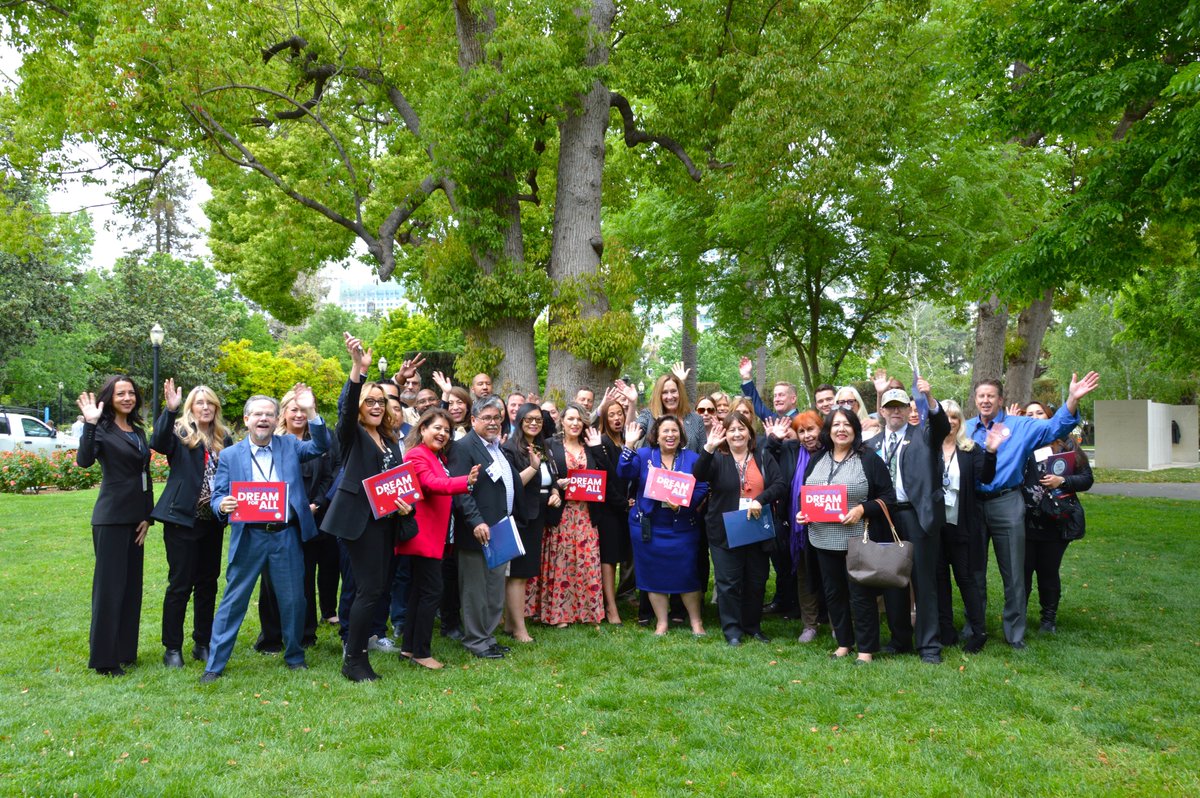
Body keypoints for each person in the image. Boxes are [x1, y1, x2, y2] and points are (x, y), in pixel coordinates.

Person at [202, 383, 330, 683]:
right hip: (249, 536)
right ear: (246, 419)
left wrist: (310, 410)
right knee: (234, 600)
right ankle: (215, 665)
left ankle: (295, 655)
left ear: (276, 420)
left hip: (285, 535)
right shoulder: (231, 456)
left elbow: (321, 446)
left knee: (294, 600)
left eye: (269, 415)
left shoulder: (290, 446)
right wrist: (223, 504)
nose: (263, 419)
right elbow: (217, 495)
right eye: (257, 414)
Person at [967, 371, 1099, 649]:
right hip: (973, 505)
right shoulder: (965, 429)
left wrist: (1072, 399)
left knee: (1014, 571)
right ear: (975, 400)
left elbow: (1055, 429)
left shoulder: (1022, 426)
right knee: (974, 570)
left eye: (991, 395)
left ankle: (1014, 632)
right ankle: (973, 627)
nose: (986, 400)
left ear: (1001, 400)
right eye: (981, 396)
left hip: (1007, 502)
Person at [321, 334, 414, 682]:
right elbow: (344, 411)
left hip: (385, 522)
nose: (376, 405)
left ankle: (357, 655)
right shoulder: (352, 434)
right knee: (368, 590)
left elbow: (394, 482)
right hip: (358, 523)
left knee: (375, 590)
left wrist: (404, 505)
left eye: (380, 401)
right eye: (368, 401)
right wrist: (357, 369)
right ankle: (354, 659)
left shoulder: (390, 440)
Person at [796, 408, 895, 664]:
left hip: (856, 541)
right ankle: (843, 643)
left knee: (860, 595)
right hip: (822, 540)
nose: (841, 429)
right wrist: (803, 513)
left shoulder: (868, 459)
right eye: (836, 425)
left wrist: (862, 509)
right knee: (833, 594)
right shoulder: (818, 458)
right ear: (828, 430)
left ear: (854, 428)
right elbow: (806, 493)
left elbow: (887, 497)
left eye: (846, 424)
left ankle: (866, 649)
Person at [863, 381, 950, 664]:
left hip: (916, 514)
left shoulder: (924, 435)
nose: (896, 411)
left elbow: (942, 427)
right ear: (883, 412)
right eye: (890, 407)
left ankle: (928, 645)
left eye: (900, 406)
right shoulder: (872, 444)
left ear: (909, 408)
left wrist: (930, 398)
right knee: (892, 579)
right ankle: (899, 639)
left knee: (923, 582)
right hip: (886, 517)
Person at [149, 380, 233, 670]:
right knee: (180, 584)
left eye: (210, 403)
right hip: (182, 520)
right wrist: (169, 411)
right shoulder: (180, 432)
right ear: (191, 408)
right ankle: (172, 647)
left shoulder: (225, 438)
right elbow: (157, 444)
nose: (206, 407)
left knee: (208, 583)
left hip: (213, 521)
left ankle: (203, 642)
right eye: (200, 403)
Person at [75, 376, 154, 676]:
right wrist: (90, 424)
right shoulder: (102, 429)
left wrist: (148, 515)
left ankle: (125, 651)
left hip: (137, 518)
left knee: (132, 587)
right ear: (109, 398)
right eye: (120, 393)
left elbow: (144, 475)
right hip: (110, 518)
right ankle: (105, 660)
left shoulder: (138, 431)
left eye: (131, 393)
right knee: (110, 589)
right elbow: (84, 461)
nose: (127, 397)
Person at [254, 387, 341, 653]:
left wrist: (316, 504)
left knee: (305, 579)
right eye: (294, 409)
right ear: (284, 413)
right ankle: (272, 635)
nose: (299, 414)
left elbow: (329, 473)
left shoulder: (319, 441)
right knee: (273, 581)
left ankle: (306, 632)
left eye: (303, 410)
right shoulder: (274, 441)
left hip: (316, 517)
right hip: (280, 521)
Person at [395, 408, 479, 669]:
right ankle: (421, 652)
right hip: (423, 537)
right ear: (422, 429)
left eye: (447, 430)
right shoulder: (417, 455)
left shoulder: (434, 456)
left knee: (420, 592)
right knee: (432, 592)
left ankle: (409, 649)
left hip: (433, 536)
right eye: (437, 428)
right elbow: (431, 484)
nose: (442, 433)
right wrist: (466, 481)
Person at [695, 412, 787, 646]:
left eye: (741, 428)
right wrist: (708, 448)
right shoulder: (717, 458)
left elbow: (780, 484)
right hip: (724, 529)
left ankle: (752, 626)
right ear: (725, 433)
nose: (737, 433)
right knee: (728, 582)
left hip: (756, 528)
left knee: (756, 580)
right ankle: (732, 630)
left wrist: (761, 499)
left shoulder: (763, 456)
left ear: (749, 432)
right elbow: (698, 475)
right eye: (732, 429)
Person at [448, 395, 528, 659]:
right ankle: (476, 641)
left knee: (494, 588)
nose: (494, 423)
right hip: (478, 531)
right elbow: (462, 491)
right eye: (487, 418)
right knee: (475, 589)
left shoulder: (497, 446)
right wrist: (476, 521)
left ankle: (488, 637)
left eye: (497, 417)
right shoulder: (463, 447)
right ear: (473, 420)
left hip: (501, 528)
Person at [617, 416, 708, 635]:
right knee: (652, 575)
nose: (670, 435)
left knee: (687, 573)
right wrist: (629, 445)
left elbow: (703, 486)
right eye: (665, 431)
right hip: (649, 527)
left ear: (681, 435)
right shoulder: (644, 455)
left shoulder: (692, 458)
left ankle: (696, 623)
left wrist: (683, 506)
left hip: (682, 527)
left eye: (674, 431)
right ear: (656, 436)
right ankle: (662, 622)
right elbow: (623, 473)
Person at [530, 403, 609, 627]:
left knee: (586, 561)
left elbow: (606, 474)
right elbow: (543, 475)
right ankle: (558, 614)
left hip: (585, 513)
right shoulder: (549, 445)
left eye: (579, 419)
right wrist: (557, 484)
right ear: (562, 422)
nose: (575, 423)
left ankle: (586, 612)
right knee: (561, 561)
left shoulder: (591, 445)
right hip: (561, 512)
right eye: (570, 419)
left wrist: (597, 450)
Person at [1021, 401, 1094, 634]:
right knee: (1022, 572)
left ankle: (1048, 619)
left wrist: (1062, 481)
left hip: (1055, 520)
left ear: (1049, 416)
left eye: (1039, 412)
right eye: (1029, 414)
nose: (1034, 416)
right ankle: (1018, 617)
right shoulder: (1021, 442)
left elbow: (1087, 479)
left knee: (1048, 572)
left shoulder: (1066, 443)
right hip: (1024, 521)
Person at [936, 400, 1000, 653]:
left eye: (955, 417)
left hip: (962, 527)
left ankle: (978, 631)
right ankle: (946, 630)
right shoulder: (929, 448)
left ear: (961, 421)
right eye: (946, 417)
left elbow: (985, 477)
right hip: (936, 528)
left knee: (967, 580)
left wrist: (992, 452)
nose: (950, 422)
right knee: (939, 581)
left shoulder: (970, 449)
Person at [764, 411, 826, 642]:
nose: (807, 435)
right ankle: (809, 624)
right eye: (802, 431)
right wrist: (774, 438)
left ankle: (836, 620)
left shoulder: (832, 452)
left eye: (811, 429)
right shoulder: (791, 450)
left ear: (821, 429)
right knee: (804, 574)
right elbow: (767, 454)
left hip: (830, 527)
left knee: (831, 575)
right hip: (797, 529)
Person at [501, 402, 560, 641]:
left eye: (538, 419)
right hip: (521, 516)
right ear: (520, 420)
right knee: (518, 573)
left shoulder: (543, 444)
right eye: (529, 419)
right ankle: (519, 629)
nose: (534, 423)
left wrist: (555, 490)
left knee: (524, 573)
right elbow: (512, 485)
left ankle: (509, 624)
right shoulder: (510, 449)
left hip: (540, 515)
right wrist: (533, 467)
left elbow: (553, 475)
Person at [592, 396, 632, 624]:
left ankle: (615, 600)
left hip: (624, 508)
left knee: (620, 557)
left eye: (620, 414)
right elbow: (608, 479)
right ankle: (610, 607)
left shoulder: (627, 440)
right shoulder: (603, 443)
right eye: (611, 415)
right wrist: (623, 504)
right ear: (605, 419)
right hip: (609, 509)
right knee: (608, 559)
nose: (617, 418)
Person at [633, 372, 706, 453]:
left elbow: (702, 456)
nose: (670, 397)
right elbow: (630, 434)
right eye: (665, 392)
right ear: (659, 395)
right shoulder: (648, 415)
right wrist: (631, 404)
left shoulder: (696, 420)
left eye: (673, 391)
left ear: (680, 392)